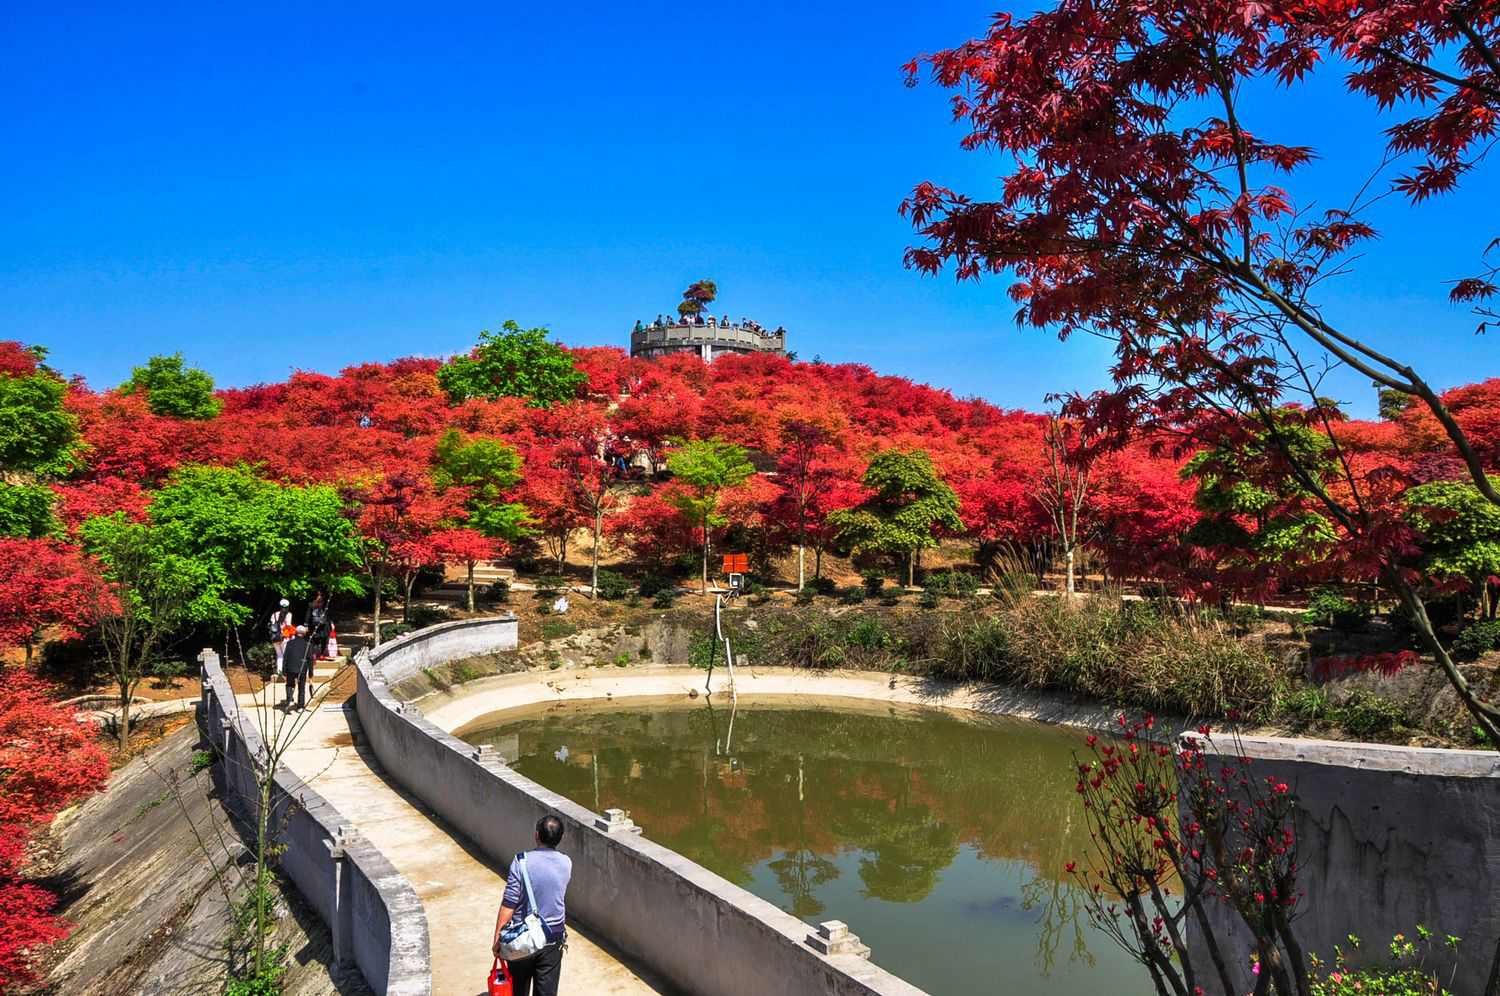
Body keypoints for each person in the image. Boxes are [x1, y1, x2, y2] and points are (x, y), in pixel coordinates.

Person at [492, 815, 571, 996]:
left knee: (517, 989)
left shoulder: (521, 862)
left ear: (537, 834)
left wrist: (498, 937)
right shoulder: (567, 863)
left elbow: (509, 902)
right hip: (553, 936)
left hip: (522, 936)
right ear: (561, 837)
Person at [282, 625, 313, 711]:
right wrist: (311, 672)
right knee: (301, 688)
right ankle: (300, 706)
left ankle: (290, 700)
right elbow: (310, 659)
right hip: (302, 668)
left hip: (291, 667)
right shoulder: (307, 644)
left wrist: (284, 670)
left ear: (295, 633)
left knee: (289, 685)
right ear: (304, 633)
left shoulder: (290, 643)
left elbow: (285, 657)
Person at [268, 599, 294, 675]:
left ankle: (279, 672)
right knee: (285, 655)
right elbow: (288, 625)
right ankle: (285, 672)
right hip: (284, 638)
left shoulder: (274, 614)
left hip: (275, 638)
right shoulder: (288, 614)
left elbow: (271, 625)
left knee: (279, 655)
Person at [307, 591, 330, 659]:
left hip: (314, 625)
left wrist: (306, 624)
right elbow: (327, 615)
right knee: (324, 640)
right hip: (323, 625)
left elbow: (308, 615)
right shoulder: (324, 604)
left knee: (314, 640)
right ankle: (322, 654)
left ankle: (314, 654)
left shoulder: (311, 604)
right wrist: (331, 623)